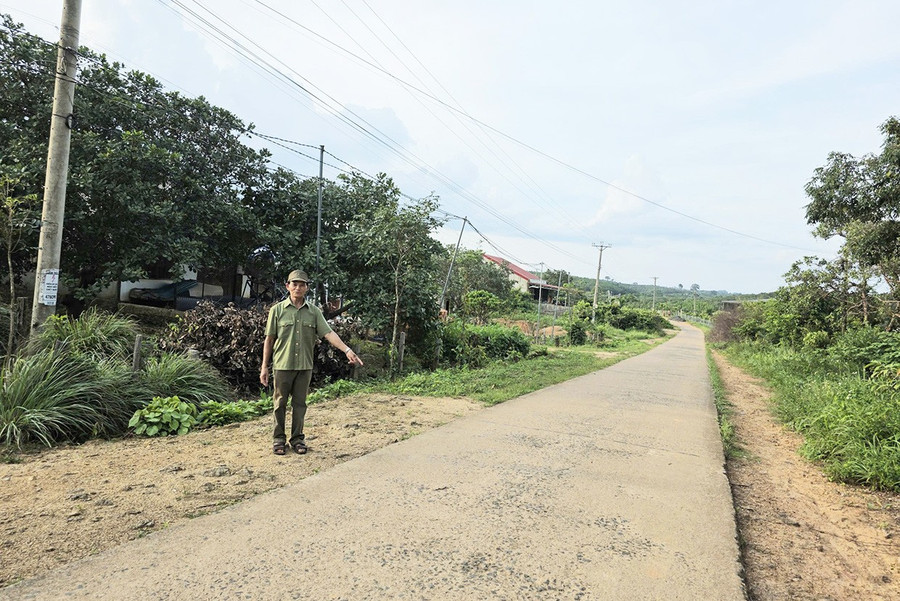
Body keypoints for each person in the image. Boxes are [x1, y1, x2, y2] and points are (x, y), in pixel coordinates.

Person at [260, 269, 363, 456]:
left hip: (304, 366)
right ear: (288, 286)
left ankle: (297, 439)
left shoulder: (314, 312)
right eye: (294, 284)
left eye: (302, 284)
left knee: (300, 404)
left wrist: (347, 350)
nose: (298, 287)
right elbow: (269, 339)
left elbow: (328, 333)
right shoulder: (277, 310)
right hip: (282, 364)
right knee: (279, 403)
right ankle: (278, 439)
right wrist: (264, 367)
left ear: (306, 288)